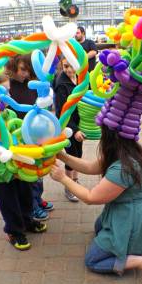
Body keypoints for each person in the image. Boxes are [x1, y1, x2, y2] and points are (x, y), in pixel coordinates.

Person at [50, 125, 142, 284]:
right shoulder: (126, 152)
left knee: (92, 260)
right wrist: (62, 156)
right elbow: (89, 167)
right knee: (99, 227)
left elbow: (90, 197)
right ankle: (127, 245)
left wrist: (63, 178)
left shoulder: (122, 168)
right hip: (128, 208)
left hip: (131, 217)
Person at [0, 74, 47, 251]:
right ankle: (14, 231)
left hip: (19, 167)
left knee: (25, 196)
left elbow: (21, 138)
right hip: (2, 174)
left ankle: (27, 220)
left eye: (9, 90)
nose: (8, 96)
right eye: (2, 92)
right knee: (9, 203)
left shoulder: (11, 114)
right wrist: (8, 172)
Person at [6, 54, 54, 220]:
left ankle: (37, 199)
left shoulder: (31, 83)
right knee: (28, 173)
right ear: (13, 67)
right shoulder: (8, 85)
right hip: (18, 134)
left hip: (34, 133)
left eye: (28, 70)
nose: (25, 74)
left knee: (38, 171)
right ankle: (31, 206)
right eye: (22, 70)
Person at [54, 57, 85, 202]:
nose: (69, 70)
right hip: (69, 126)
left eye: (72, 66)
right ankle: (68, 187)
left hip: (80, 123)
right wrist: (75, 129)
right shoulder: (61, 84)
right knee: (71, 157)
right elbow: (62, 111)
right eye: (65, 66)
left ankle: (75, 180)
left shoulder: (79, 77)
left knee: (78, 155)